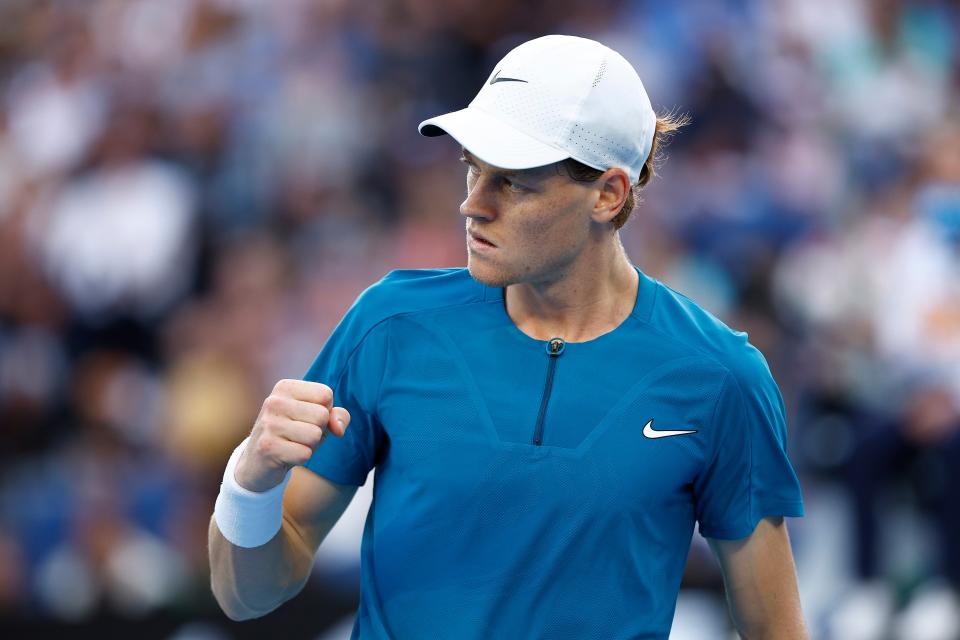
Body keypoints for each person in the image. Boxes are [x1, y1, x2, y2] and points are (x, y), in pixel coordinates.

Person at [209, 34, 808, 639]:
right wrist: (250, 481)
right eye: (472, 169)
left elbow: (776, 631)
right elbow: (245, 596)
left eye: (514, 182)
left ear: (608, 193)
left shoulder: (723, 378)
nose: (473, 204)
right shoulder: (388, 324)